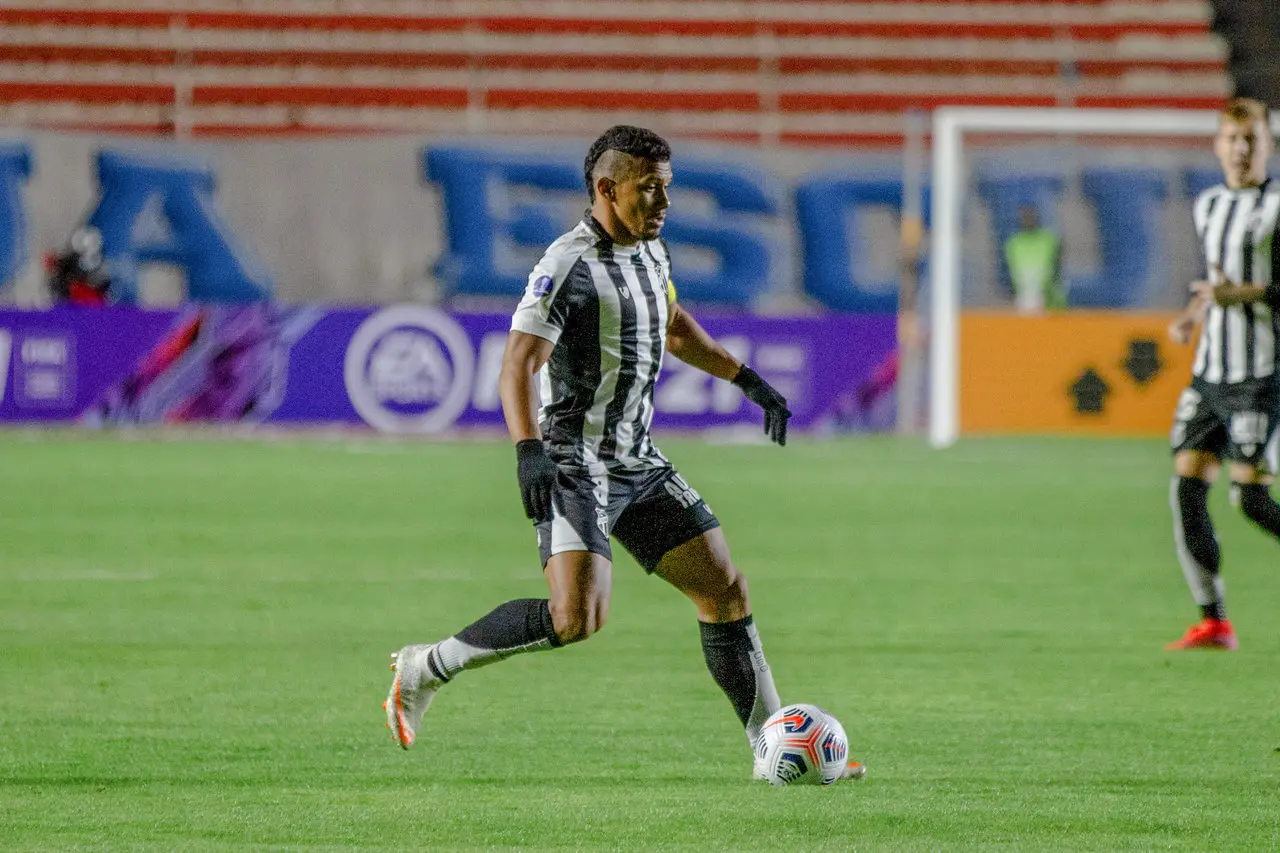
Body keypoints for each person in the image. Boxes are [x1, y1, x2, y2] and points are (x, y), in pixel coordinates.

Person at [384, 125, 863, 780]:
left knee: (724, 589)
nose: (663, 202)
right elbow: (518, 362)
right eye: (650, 189)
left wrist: (745, 379)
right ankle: (425, 666)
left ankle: (769, 747)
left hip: (637, 459)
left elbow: (675, 326)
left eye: (667, 188)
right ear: (607, 188)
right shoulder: (567, 264)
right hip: (574, 461)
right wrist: (528, 450)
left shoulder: (652, 252)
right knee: (575, 618)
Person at [1165, 97, 1280, 651]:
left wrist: (1243, 295)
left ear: (1268, 145)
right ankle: (1214, 621)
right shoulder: (1208, 205)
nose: (1241, 149)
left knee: (1250, 500)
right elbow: (1216, 280)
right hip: (1209, 373)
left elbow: (1244, 287)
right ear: (1217, 146)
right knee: (1186, 486)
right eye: (1232, 139)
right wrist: (1193, 315)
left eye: (1251, 139)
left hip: (1260, 373)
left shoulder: (1277, 206)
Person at [1002, 205, 1064, 313]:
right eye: (1025, 216)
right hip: (1023, 298)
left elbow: (1057, 272)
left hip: (1048, 300)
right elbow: (1008, 277)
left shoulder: (1050, 240)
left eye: (1031, 215)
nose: (1028, 218)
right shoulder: (1013, 244)